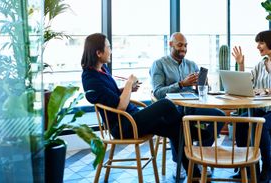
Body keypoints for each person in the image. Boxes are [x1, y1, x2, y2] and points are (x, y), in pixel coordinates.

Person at [80, 33, 202, 180]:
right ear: (98, 53)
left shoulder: (102, 70)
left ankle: (194, 174)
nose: (111, 51)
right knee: (165, 104)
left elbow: (110, 96)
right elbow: (120, 108)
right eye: (108, 47)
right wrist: (128, 84)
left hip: (132, 117)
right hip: (123, 126)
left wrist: (125, 90)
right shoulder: (90, 78)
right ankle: (191, 131)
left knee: (175, 130)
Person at [149, 32, 225, 178]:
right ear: (170, 44)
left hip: (193, 106)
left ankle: (200, 156)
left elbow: (203, 92)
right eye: (179, 45)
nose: (183, 48)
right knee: (177, 122)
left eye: (185, 45)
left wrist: (203, 84)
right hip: (171, 109)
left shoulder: (191, 64)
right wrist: (181, 84)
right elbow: (158, 92)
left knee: (219, 116)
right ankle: (179, 162)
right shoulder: (159, 64)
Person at [232, 30, 271, 182]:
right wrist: (241, 64)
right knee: (241, 122)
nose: (258, 46)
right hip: (265, 110)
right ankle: (246, 167)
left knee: (263, 124)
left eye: (261, 43)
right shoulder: (260, 65)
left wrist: (266, 90)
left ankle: (268, 168)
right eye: (258, 43)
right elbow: (247, 84)